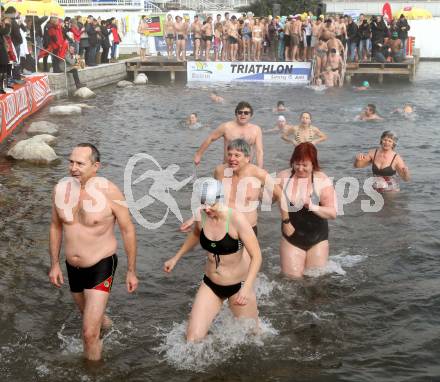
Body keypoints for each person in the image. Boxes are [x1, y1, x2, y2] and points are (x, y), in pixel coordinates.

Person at [48, 143, 138, 361]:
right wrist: (54, 263)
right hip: (72, 267)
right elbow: (55, 226)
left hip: (101, 264)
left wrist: (131, 271)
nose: (73, 168)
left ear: (95, 166)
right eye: (71, 162)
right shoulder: (61, 189)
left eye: (80, 163)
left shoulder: (110, 191)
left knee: (88, 333)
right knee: (91, 319)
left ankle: (94, 373)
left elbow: (127, 229)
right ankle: (109, 327)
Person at [164, 178, 261, 342]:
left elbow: (257, 256)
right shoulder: (202, 216)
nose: (207, 209)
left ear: (221, 199)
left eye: (211, 204)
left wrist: (247, 288)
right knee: (192, 339)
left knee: (253, 337)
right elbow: (195, 234)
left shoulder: (237, 220)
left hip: (238, 286)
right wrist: (176, 258)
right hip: (210, 283)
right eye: (203, 204)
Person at [277, 142, 336, 278]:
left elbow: (332, 213)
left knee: (315, 282)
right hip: (291, 237)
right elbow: (265, 198)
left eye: (305, 165)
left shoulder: (321, 179)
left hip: (317, 239)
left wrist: (312, 206)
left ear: (313, 164)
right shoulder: (283, 177)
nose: (300, 168)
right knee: (291, 281)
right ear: (292, 162)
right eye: (297, 164)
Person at [194, 101, 264, 168]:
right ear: (236, 114)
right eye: (240, 112)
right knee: (225, 179)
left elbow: (259, 151)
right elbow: (211, 138)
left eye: (246, 113)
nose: (243, 114)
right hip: (228, 166)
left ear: (250, 115)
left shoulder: (256, 129)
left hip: (246, 167)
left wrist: (260, 168)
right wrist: (198, 154)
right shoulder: (226, 127)